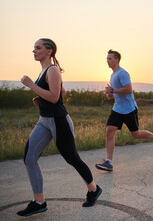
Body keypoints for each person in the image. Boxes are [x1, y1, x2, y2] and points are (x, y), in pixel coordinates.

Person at [17, 38, 102, 217]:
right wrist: (40, 98)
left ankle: (93, 189)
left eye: (38, 48)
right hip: (44, 120)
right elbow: (61, 92)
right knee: (29, 157)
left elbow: (55, 98)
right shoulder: (44, 70)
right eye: (34, 48)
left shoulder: (52, 69)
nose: (34, 51)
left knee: (72, 158)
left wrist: (31, 86)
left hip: (58, 121)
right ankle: (39, 201)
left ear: (49, 51)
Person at [95, 50, 153, 172]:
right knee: (109, 131)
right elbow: (115, 92)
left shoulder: (123, 73)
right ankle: (109, 162)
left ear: (117, 60)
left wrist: (112, 91)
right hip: (117, 109)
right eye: (107, 59)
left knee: (136, 134)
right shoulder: (112, 75)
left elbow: (129, 89)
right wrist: (110, 95)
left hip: (129, 109)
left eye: (110, 59)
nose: (107, 61)